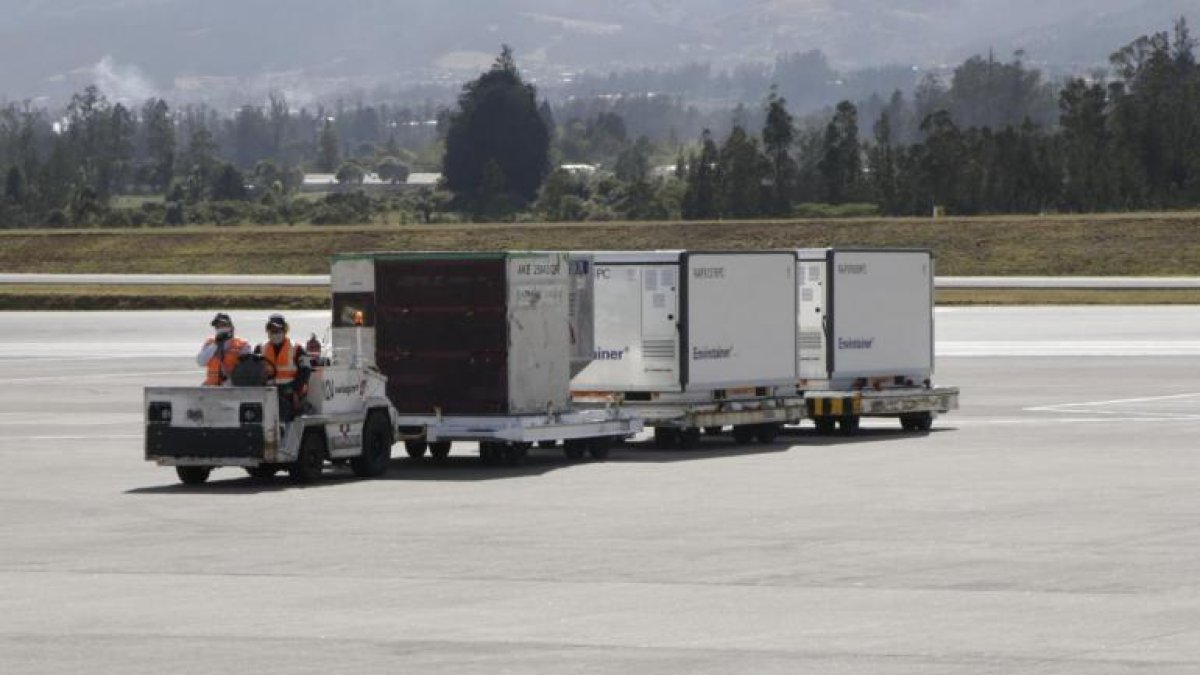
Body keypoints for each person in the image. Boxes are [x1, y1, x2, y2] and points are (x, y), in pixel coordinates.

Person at [255, 313, 312, 420]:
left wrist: (295, 389)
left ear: (285, 330)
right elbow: (253, 371)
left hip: (289, 392)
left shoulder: (297, 348)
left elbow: (306, 370)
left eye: (278, 330)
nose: (275, 333)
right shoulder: (260, 348)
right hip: (267, 392)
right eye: (272, 330)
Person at [196, 312, 251, 386]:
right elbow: (201, 362)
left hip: (232, 386)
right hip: (211, 385)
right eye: (217, 326)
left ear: (230, 326)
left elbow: (247, 369)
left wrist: (230, 382)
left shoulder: (242, 344)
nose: (220, 328)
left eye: (223, 325)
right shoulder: (210, 342)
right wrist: (216, 345)